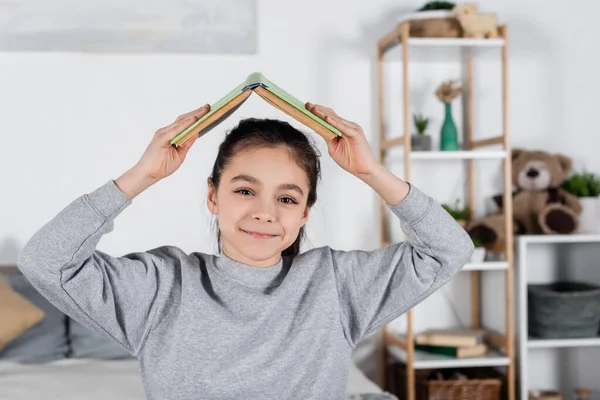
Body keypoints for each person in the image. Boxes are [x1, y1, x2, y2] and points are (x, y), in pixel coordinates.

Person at [17, 102, 474, 400]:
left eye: (288, 198)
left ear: (304, 214)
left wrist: (373, 172)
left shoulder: (336, 284)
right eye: (245, 190)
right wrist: (142, 175)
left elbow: (448, 249)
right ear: (213, 197)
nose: (265, 212)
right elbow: (46, 262)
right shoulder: (160, 286)